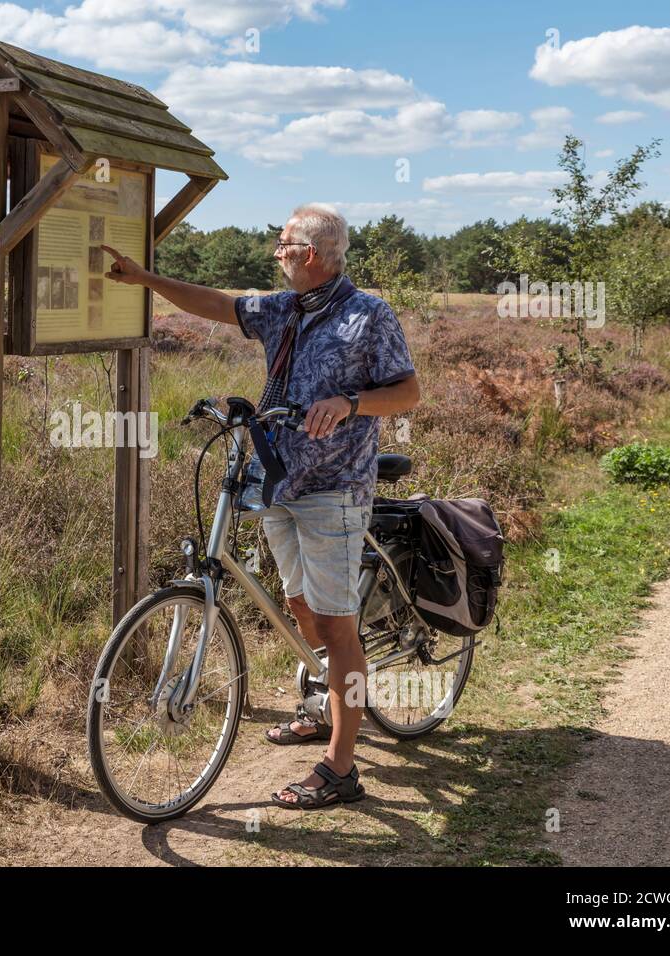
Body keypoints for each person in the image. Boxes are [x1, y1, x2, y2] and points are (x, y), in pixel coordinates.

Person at [101, 202, 420, 810]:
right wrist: (144, 279)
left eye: (281, 244)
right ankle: (328, 705)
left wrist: (350, 403)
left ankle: (342, 767)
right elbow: (219, 305)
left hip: (335, 485)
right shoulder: (282, 310)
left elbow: (407, 392)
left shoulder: (368, 315)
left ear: (310, 255)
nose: (274, 253)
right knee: (300, 606)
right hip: (274, 479)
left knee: (337, 623)